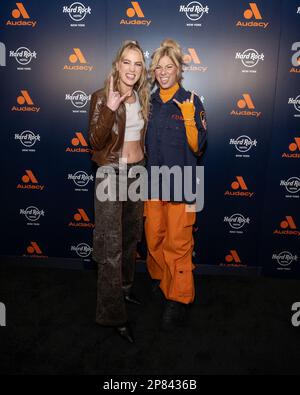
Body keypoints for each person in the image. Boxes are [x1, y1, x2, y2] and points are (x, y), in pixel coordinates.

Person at [88, 40, 149, 343]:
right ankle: (112, 316)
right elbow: (95, 142)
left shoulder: (141, 97)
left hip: (138, 173)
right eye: (127, 62)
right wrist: (110, 109)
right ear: (117, 64)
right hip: (111, 174)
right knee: (110, 247)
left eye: (138, 64)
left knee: (130, 238)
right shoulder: (102, 97)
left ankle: (124, 290)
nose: (132, 69)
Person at [144, 39, 207, 331]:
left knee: (178, 244)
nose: (164, 72)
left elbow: (197, 148)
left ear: (179, 69)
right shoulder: (150, 101)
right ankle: (161, 282)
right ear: (154, 71)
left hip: (182, 185)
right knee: (154, 238)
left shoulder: (191, 100)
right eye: (159, 67)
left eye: (170, 67)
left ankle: (179, 299)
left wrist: (189, 119)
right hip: (152, 185)